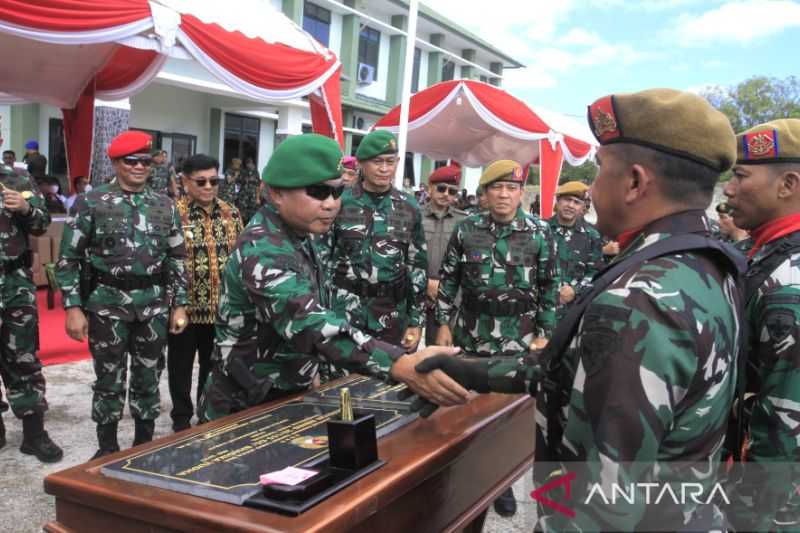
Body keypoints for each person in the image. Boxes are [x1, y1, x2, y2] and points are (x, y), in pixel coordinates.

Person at [418, 88, 745, 531]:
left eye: (599, 171)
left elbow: (605, 506)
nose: (589, 189)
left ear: (634, 182)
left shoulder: (639, 301)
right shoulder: (703, 265)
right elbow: (567, 369)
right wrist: (472, 368)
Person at [199, 134, 468, 421]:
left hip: (285, 391)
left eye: (337, 192)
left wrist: (313, 371)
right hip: (245, 403)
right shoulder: (263, 249)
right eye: (317, 192)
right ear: (277, 194)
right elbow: (311, 321)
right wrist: (401, 365)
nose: (330, 204)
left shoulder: (302, 234)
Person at [434, 159, 556, 517]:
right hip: (472, 335)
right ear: (484, 194)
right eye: (496, 188)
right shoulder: (466, 229)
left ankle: (500, 482)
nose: (504, 194)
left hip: (518, 339)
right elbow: (449, 280)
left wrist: (545, 335)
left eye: (511, 188)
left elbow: (549, 286)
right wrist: (442, 323)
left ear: (521, 193)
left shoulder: (539, 232)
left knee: (508, 416)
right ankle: (468, 479)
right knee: (467, 412)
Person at [56, 130, 189, 459]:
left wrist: (180, 305)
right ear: (116, 163)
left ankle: (143, 445)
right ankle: (107, 447)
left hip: (154, 307)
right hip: (107, 305)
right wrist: (73, 307)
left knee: (148, 376)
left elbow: (177, 257)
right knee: (108, 378)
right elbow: (68, 259)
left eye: (145, 161)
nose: (140, 167)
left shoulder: (165, 205)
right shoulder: (92, 202)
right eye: (132, 161)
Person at [722, 118, 800, 531]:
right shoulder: (762, 253)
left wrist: (756, 518)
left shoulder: (791, 278)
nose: (729, 189)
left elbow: (786, 430)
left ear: (787, 184)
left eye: (740, 176)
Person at [323, 130, 427, 350]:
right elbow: (322, 259)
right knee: (342, 380)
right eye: (377, 162)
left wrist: (416, 321)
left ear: (398, 162)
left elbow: (417, 267)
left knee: (390, 377)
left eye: (390, 161)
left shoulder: (409, 206)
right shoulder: (340, 201)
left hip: (391, 315)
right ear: (360, 163)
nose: (384, 168)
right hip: (344, 311)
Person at [167, 154, 242, 432]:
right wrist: (176, 303)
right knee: (180, 366)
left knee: (213, 367)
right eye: (201, 181)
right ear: (185, 181)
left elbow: (239, 257)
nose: (209, 186)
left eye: (214, 180)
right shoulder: (173, 212)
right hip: (184, 308)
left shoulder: (231, 212)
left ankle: (204, 413)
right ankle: (181, 419)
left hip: (221, 308)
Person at [0, 165, 63, 463]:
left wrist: (26, 209)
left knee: (23, 356)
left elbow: (42, 224)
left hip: (14, 283)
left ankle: (34, 434)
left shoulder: (17, 179)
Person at [421, 165, 465, 347]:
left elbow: (465, 264)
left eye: (452, 191)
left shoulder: (463, 222)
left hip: (445, 297)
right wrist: (426, 282)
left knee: (438, 351)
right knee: (402, 350)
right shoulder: (414, 215)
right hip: (413, 292)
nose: (446, 194)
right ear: (430, 188)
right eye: (441, 188)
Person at [548, 181, 604, 319]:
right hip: (540, 310)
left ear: (582, 207)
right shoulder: (540, 230)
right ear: (558, 200)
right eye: (567, 200)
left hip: (571, 314)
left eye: (576, 202)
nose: (571, 206)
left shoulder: (592, 236)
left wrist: (575, 290)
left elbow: (596, 273)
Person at [236, 157, 261, 225]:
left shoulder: (256, 173)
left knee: (252, 212)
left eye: (250, 163)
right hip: (243, 196)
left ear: (252, 163)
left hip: (253, 196)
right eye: (248, 163)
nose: (249, 165)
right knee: (242, 212)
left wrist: (258, 198)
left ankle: (251, 226)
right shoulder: (243, 172)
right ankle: (242, 226)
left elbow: (258, 186)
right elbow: (238, 182)